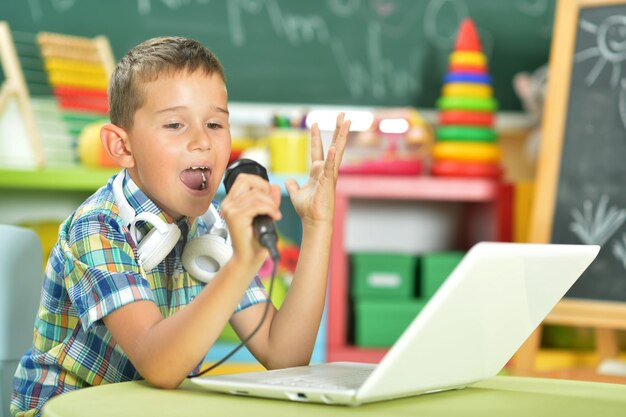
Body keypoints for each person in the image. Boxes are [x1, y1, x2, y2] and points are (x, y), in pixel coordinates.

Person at [11, 36, 350, 417]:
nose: (202, 141)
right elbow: (160, 364)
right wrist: (241, 263)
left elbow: (286, 354)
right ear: (122, 147)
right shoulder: (97, 227)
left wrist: (318, 226)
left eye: (215, 123)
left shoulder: (212, 226)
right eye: (175, 124)